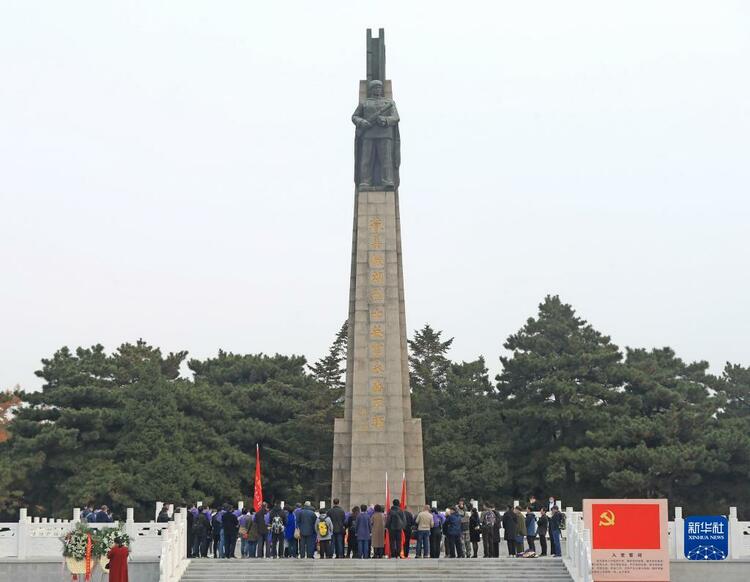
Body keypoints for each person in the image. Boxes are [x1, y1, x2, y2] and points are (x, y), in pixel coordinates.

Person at [351, 79, 400, 189]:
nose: (378, 89)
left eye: (380, 87)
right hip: (368, 135)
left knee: (386, 160)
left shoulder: (389, 103)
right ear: (371, 90)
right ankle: (365, 181)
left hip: (385, 134)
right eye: (375, 87)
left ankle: (387, 180)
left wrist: (385, 120)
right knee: (366, 160)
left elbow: (396, 117)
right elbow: (354, 116)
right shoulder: (365, 103)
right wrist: (362, 122)